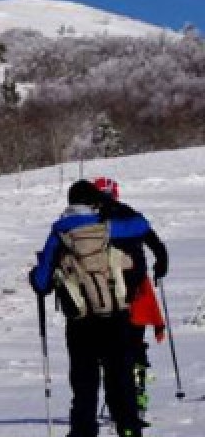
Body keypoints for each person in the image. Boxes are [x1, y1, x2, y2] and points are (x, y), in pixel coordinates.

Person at [30, 179, 154, 437]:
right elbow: (142, 225)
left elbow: (42, 283)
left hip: (81, 323)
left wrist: (36, 275)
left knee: (85, 386)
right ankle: (129, 430)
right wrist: (109, 205)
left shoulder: (59, 233)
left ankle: (83, 433)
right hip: (116, 318)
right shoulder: (107, 227)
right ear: (93, 202)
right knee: (120, 382)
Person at [92, 176, 169, 424]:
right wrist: (160, 268)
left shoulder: (94, 222)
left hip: (108, 296)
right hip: (138, 293)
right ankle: (138, 399)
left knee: (111, 349)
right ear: (116, 194)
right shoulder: (134, 217)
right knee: (135, 347)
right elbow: (159, 248)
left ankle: (117, 399)